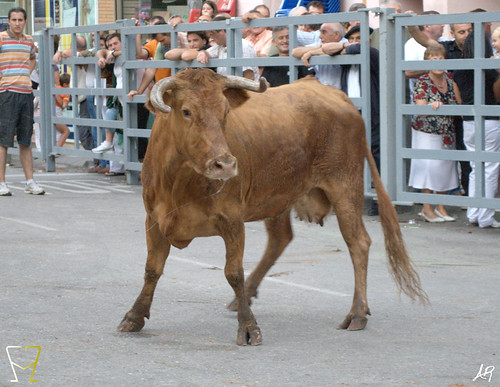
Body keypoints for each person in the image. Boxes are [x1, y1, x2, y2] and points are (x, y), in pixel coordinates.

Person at [407, 45, 461, 223]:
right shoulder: (423, 81)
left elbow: (459, 105)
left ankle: (441, 207)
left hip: (447, 131)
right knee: (428, 167)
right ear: (427, 62)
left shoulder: (451, 79)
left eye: (441, 59)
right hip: (426, 131)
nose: (438, 63)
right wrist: (433, 106)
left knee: (445, 168)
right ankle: (427, 208)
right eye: (433, 59)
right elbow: (421, 109)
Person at [454, 32, 500, 228]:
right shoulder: (490, 69)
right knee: (490, 168)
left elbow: (458, 98)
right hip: (489, 120)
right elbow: (497, 96)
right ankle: (486, 217)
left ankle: (474, 214)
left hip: (469, 121)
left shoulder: (459, 68)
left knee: (475, 168)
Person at [0, 7, 44, 196]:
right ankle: (1, 183)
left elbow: (32, 58)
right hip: (7, 93)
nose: (17, 23)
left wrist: (26, 71)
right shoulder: (1, 38)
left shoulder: (29, 41)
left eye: (20, 20)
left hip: (26, 92)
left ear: (25, 21)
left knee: (26, 140)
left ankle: (30, 181)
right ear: (8, 21)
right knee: (3, 140)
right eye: (14, 20)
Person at [196, 14, 259, 81]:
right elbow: (207, 52)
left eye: (212, 33)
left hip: (240, 89)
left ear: (222, 31)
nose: (211, 37)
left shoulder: (243, 45)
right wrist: (203, 52)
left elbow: (249, 76)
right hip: (228, 87)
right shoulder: (220, 46)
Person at [291, 23, 346, 88]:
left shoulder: (345, 43)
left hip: (340, 95)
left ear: (336, 34)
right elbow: (295, 52)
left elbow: (336, 51)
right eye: (320, 32)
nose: (320, 36)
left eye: (324, 32)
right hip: (321, 93)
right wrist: (316, 49)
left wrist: (312, 53)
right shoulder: (320, 44)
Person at [404, 11, 442, 97]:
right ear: (427, 26)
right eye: (439, 22)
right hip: (422, 100)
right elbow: (408, 72)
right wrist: (435, 68)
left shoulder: (445, 41)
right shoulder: (412, 44)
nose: (443, 25)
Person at [54, 73, 71, 149]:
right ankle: (58, 149)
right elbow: (63, 106)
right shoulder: (66, 92)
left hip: (50, 111)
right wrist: (58, 97)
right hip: (57, 112)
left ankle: (55, 148)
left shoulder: (55, 87)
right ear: (65, 84)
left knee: (56, 131)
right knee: (65, 131)